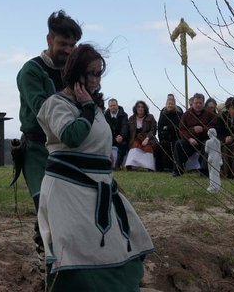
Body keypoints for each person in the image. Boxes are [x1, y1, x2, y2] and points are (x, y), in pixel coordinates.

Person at [36, 44, 154, 290]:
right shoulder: (56, 103)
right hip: (68, 191)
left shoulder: (93, 106)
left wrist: (113, 182)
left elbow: (99, 149)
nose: (96, 80)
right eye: (91, 73)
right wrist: (88, 108)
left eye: (99, 73)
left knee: (120, 241)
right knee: (75, 249)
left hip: (99, 188)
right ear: (76, 71)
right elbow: (71, 136)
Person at [15, 10, 82, 250]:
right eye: (63, 44)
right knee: (46, 205)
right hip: (37, 150)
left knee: (72, 208)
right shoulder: (31, 71)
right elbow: (44, 110)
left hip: (68, 149)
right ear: (49, 39)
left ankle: (58, 253)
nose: (68, 50)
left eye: (72, 45)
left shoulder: (74, 72)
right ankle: (45, 254)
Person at [172, 93, 217, 176]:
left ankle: (204, 171)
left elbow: (214, 127)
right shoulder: (186, 115)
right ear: (192, 103)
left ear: (203, 103)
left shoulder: (210, 114)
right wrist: (189, 138)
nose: (198, 105)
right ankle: (177, 170)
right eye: (196, 103)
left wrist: (203, 129)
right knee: (178, 144)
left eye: (200, 103)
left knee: (207, 144)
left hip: (204, 139)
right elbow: (181, 130)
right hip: (190, 141)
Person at [125, 100, 158, 171]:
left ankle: (149, 167)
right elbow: (128, 131)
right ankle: (131, 165)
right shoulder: (131, 118)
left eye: (142, 107)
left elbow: (153, 129)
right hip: (135, 138)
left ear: (145, 108)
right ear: (136, 108)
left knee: (147, 147)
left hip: (148, 139)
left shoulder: (150, 117)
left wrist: (147, 139)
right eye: (138, 107)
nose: (140, 108)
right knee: (134, 146)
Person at [157, 95, 183, 172]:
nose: (170, 105)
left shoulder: (178, 114)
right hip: (165, 137)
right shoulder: (163, 114)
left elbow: (178, 126)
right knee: (162, 146)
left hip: (175, 137)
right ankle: (164, 167)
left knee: (175, 146)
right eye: (169, 104)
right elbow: (160, 127)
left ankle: (175, 167)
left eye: (172, 104)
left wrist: (168, 127)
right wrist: (161, 138)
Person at [104, 98, 128, 169]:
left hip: (121, 137)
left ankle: (117, 165)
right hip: (110, 137)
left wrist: (121, 136)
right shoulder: (105, 116)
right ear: (109, 107)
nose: (113, 107)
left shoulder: (124, 115)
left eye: (114, 105)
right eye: (111, 106)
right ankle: (106, 165)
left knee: (123, 145)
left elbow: (125, 126)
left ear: (117, 105)